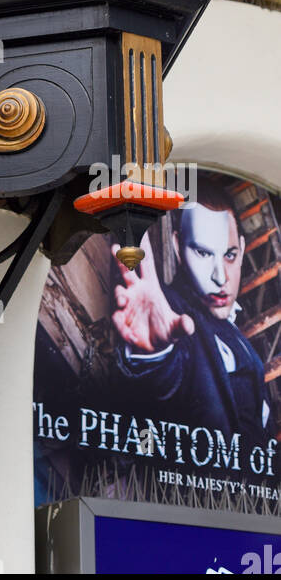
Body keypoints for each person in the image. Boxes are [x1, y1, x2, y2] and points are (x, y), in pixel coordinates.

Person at [112, 191, 269, 447]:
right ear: (177, 247)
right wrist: (155, 356)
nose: (220, 278)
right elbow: (165, 389)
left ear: (241, 249)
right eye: (203, 253)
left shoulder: (240, 341)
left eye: (229, 255)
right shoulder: (172, 311)